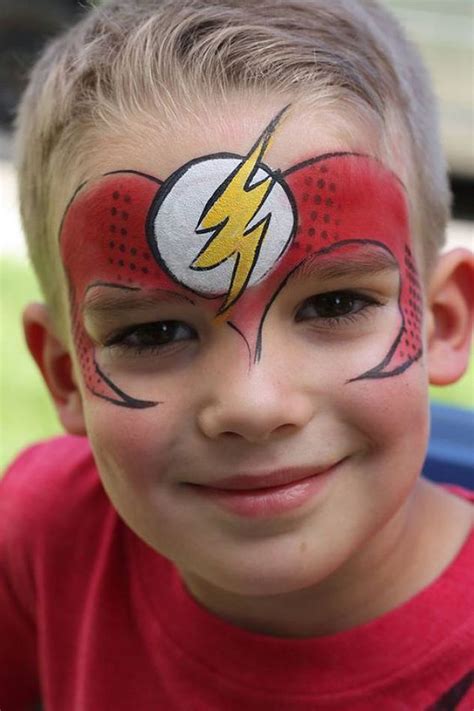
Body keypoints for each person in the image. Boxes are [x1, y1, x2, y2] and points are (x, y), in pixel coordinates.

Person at [1, 0, 473, 708]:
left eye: (333, 304)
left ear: (440, 322)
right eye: (153, 332)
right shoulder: (45, 535)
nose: (253, 405)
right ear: (66, 374)